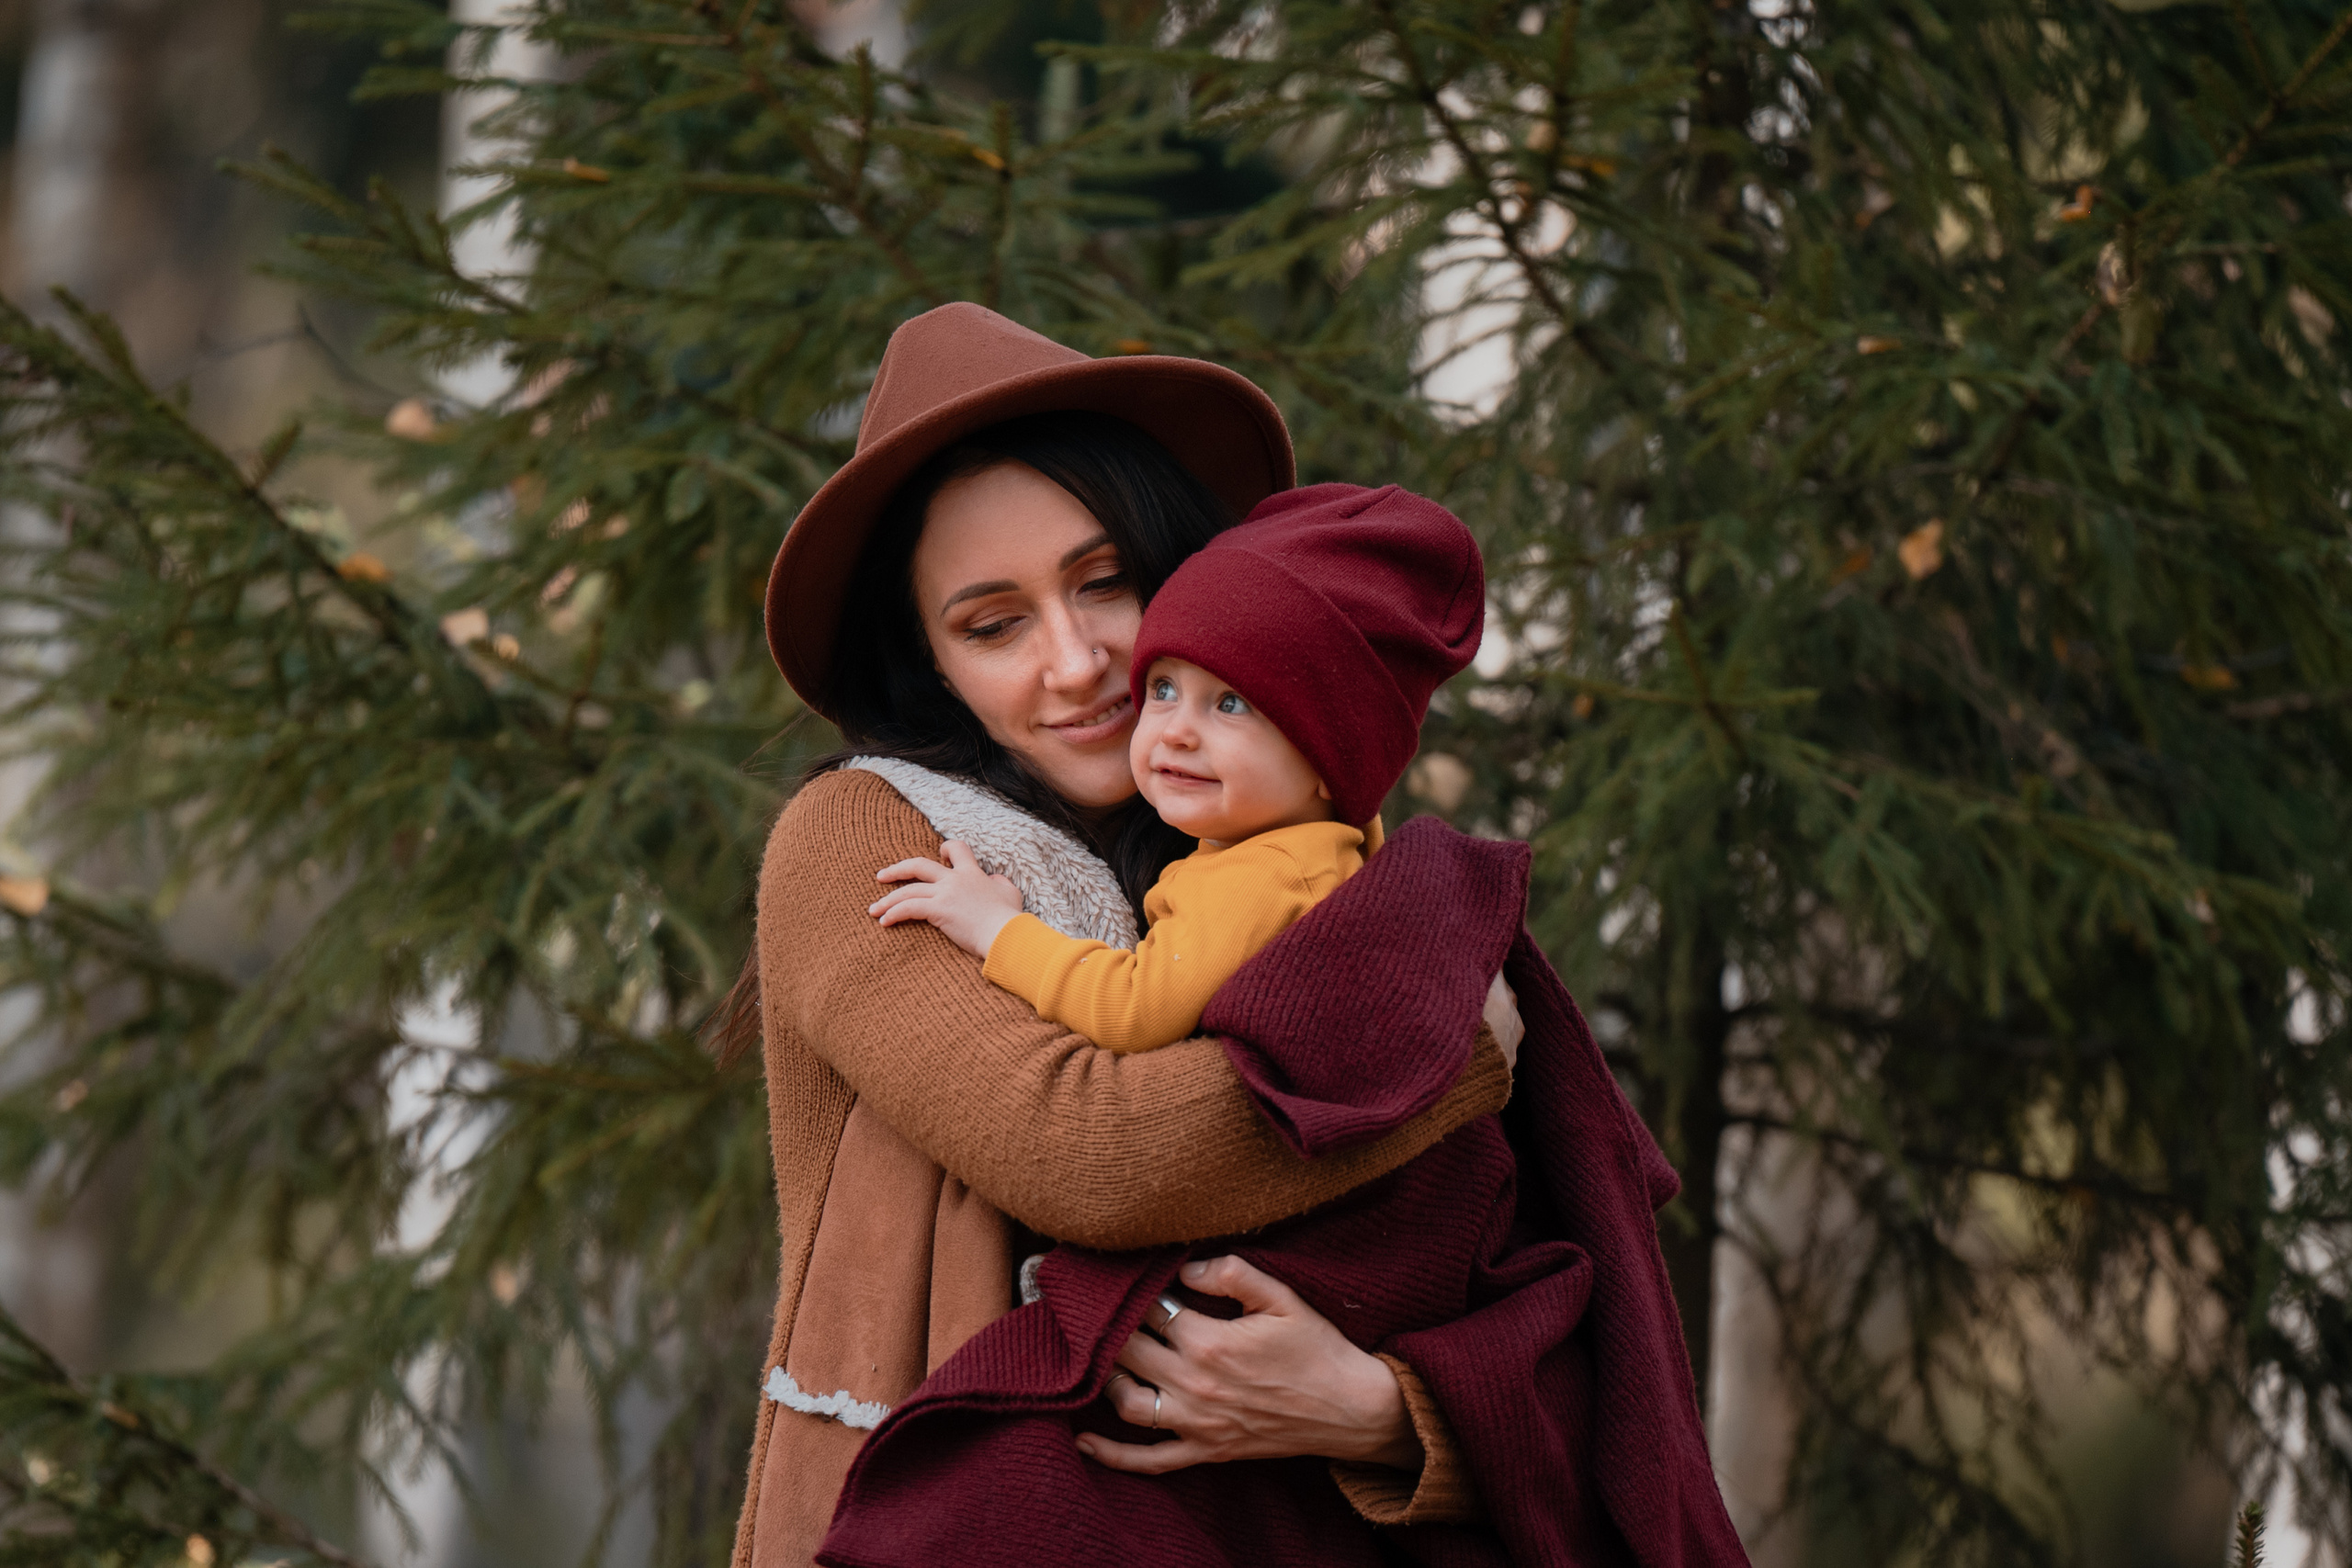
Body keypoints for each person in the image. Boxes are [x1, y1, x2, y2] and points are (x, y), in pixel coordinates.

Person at [724, 302, 1523, 1568]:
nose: (1081, 659)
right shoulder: (870, 839)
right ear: (931, 664)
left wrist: (1378, 1409)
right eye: (995, 624)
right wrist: (1445, 1055)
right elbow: (1086, 1152)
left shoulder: (1283, 846)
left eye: (1109, 581)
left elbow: (1522, 1278)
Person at [865, 482, 1483, 1060]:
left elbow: (1133, 1009)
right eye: (1163, 687)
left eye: (1231, 702)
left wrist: (997, 928)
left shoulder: (1266, 876)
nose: (1175, 730)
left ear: (1331, 757)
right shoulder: (1319, 843)